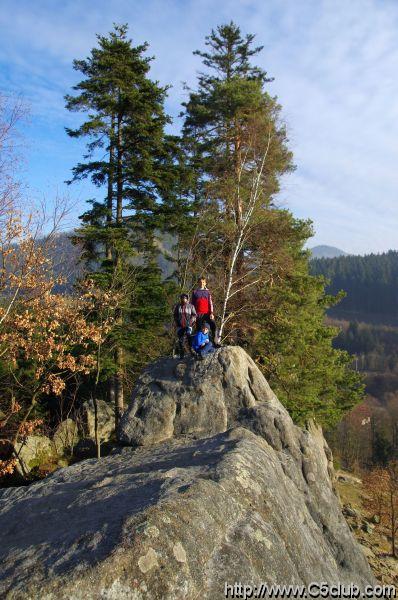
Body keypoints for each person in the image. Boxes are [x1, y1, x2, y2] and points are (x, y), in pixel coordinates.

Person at [191, 276, 220, 345]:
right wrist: (193, 315)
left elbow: (210, 303)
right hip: (198, 314)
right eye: (200, 282)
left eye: (203, 282)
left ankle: (215, 342)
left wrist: (211, 313)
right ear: (198, 283)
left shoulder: (207, 292)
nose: (202, 283)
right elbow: (192, 305)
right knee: (199, 330)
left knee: (214, 326)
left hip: (207, 313)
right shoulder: (195, 292)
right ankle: (198, 345)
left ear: (205, 283)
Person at [173, 293, 197, 359]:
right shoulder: (178, 306)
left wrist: (191, 321)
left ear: (187, 299)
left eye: (185, 298)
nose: (183, 299)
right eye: (182, 298)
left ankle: (191, 349)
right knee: (180, 340)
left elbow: (194, 314)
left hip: (188, 325)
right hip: (180, 326)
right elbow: (175, 315)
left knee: (189, 336)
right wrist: (177, 321)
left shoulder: (191, 306)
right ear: (180, 299)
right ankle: (181, 353)